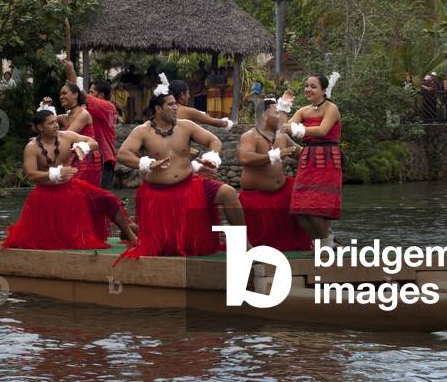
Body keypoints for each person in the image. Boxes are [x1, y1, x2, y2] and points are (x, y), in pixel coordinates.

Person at [116, 82, 244, 258]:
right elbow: (123, 154)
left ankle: (244, 243)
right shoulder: (142, 131)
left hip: (190, 186)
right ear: (158, 109)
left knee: (229, 193)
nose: (176, 107)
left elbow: (214, 141)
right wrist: (146, 163)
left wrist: (211, 158)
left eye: (176, 103)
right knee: (166, 246)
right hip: (159, 193)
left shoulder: (185, 126)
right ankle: (136, 230)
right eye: (171, 104)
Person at [2, 108, 136, 250]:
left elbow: (94, 142)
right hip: (45, 195)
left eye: (56, 121)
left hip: (71, 188)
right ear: (40, 127)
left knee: (108, 198)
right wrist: (54, 174)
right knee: (55, 239)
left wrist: (82, 147)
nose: (56, 125)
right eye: (50, 123)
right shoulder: (32, 148)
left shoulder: (66, 136)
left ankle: (130, 235)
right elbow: (31, 174)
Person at [237, 98, 310, 251]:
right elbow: (244, 157)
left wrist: (324, 153)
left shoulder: (282, 136)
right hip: (256, 198)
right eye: (276, 112)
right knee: (262, 246)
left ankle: (323, 239)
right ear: (264, 115)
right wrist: (272, 156)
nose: (281, 116)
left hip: (283, 193)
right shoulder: (250, 136)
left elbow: (301, 153)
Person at [281, 73, 343, 247]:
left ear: (324, 90)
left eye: (313, 86)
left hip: (327, 159)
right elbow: (285, 129)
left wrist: (299, 130)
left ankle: (328, 242)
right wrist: (284, 108)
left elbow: (323, 131)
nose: (308, 89)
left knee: (315, 207)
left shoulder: (331, 108)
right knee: (299, 210)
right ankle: (320, 241)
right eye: (307, 86)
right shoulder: (303, 111)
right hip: (308, 159)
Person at [64, 61, 120, 189]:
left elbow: (80, 95)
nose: (89, 94)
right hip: (90, 160)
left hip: (103, 160)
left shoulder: (107, 106)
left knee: (97, 200)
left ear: (101, 95)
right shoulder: (94, 109)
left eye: (92, 92)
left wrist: (71, 71)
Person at [56, 82, 103, 187]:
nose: (61, 97)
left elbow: (67, 136)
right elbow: (40, 126)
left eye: (64, 93)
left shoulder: (83, 114)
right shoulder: (63, 117)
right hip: (70, 158)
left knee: (82, 193)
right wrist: (45, 109)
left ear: (75, 94)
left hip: (87, 160)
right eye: (60, 95)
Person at [167, 78, 235, 130]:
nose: (189, 96)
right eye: (188, 93)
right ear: (182, 95)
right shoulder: (187, 111)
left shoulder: (164, 109)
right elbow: (214, 122)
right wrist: (227, 123)